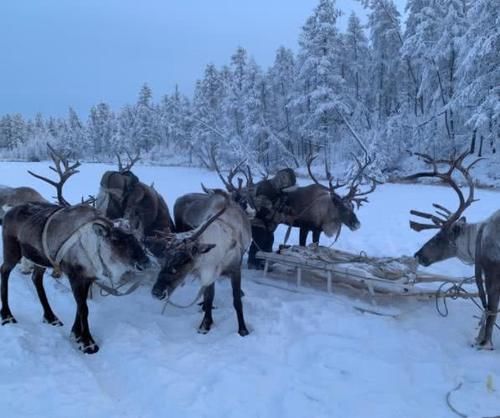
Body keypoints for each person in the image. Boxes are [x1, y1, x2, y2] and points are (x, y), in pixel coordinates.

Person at [247, 168, 297, 270]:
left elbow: (278, 204)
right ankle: (253, 262)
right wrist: (285, 218)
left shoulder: (280, 189)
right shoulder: (265, 189)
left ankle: (265, 260)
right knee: (260, 237)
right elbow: (264, 212)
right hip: (254, 216)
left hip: (266, 219)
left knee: (269, 238)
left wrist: (289, 210)